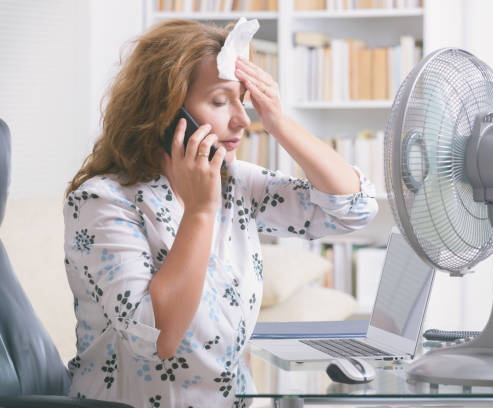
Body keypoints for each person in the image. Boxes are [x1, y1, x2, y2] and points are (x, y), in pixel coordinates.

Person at [63, 19, 378, 407]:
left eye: (242, 101)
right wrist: (200, 211)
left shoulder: (235, 182)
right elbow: (158, 337)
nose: (243, 120)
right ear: (168, 113)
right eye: (218, 101)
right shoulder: (102, 202)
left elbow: (352, 209)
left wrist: (279, 123)